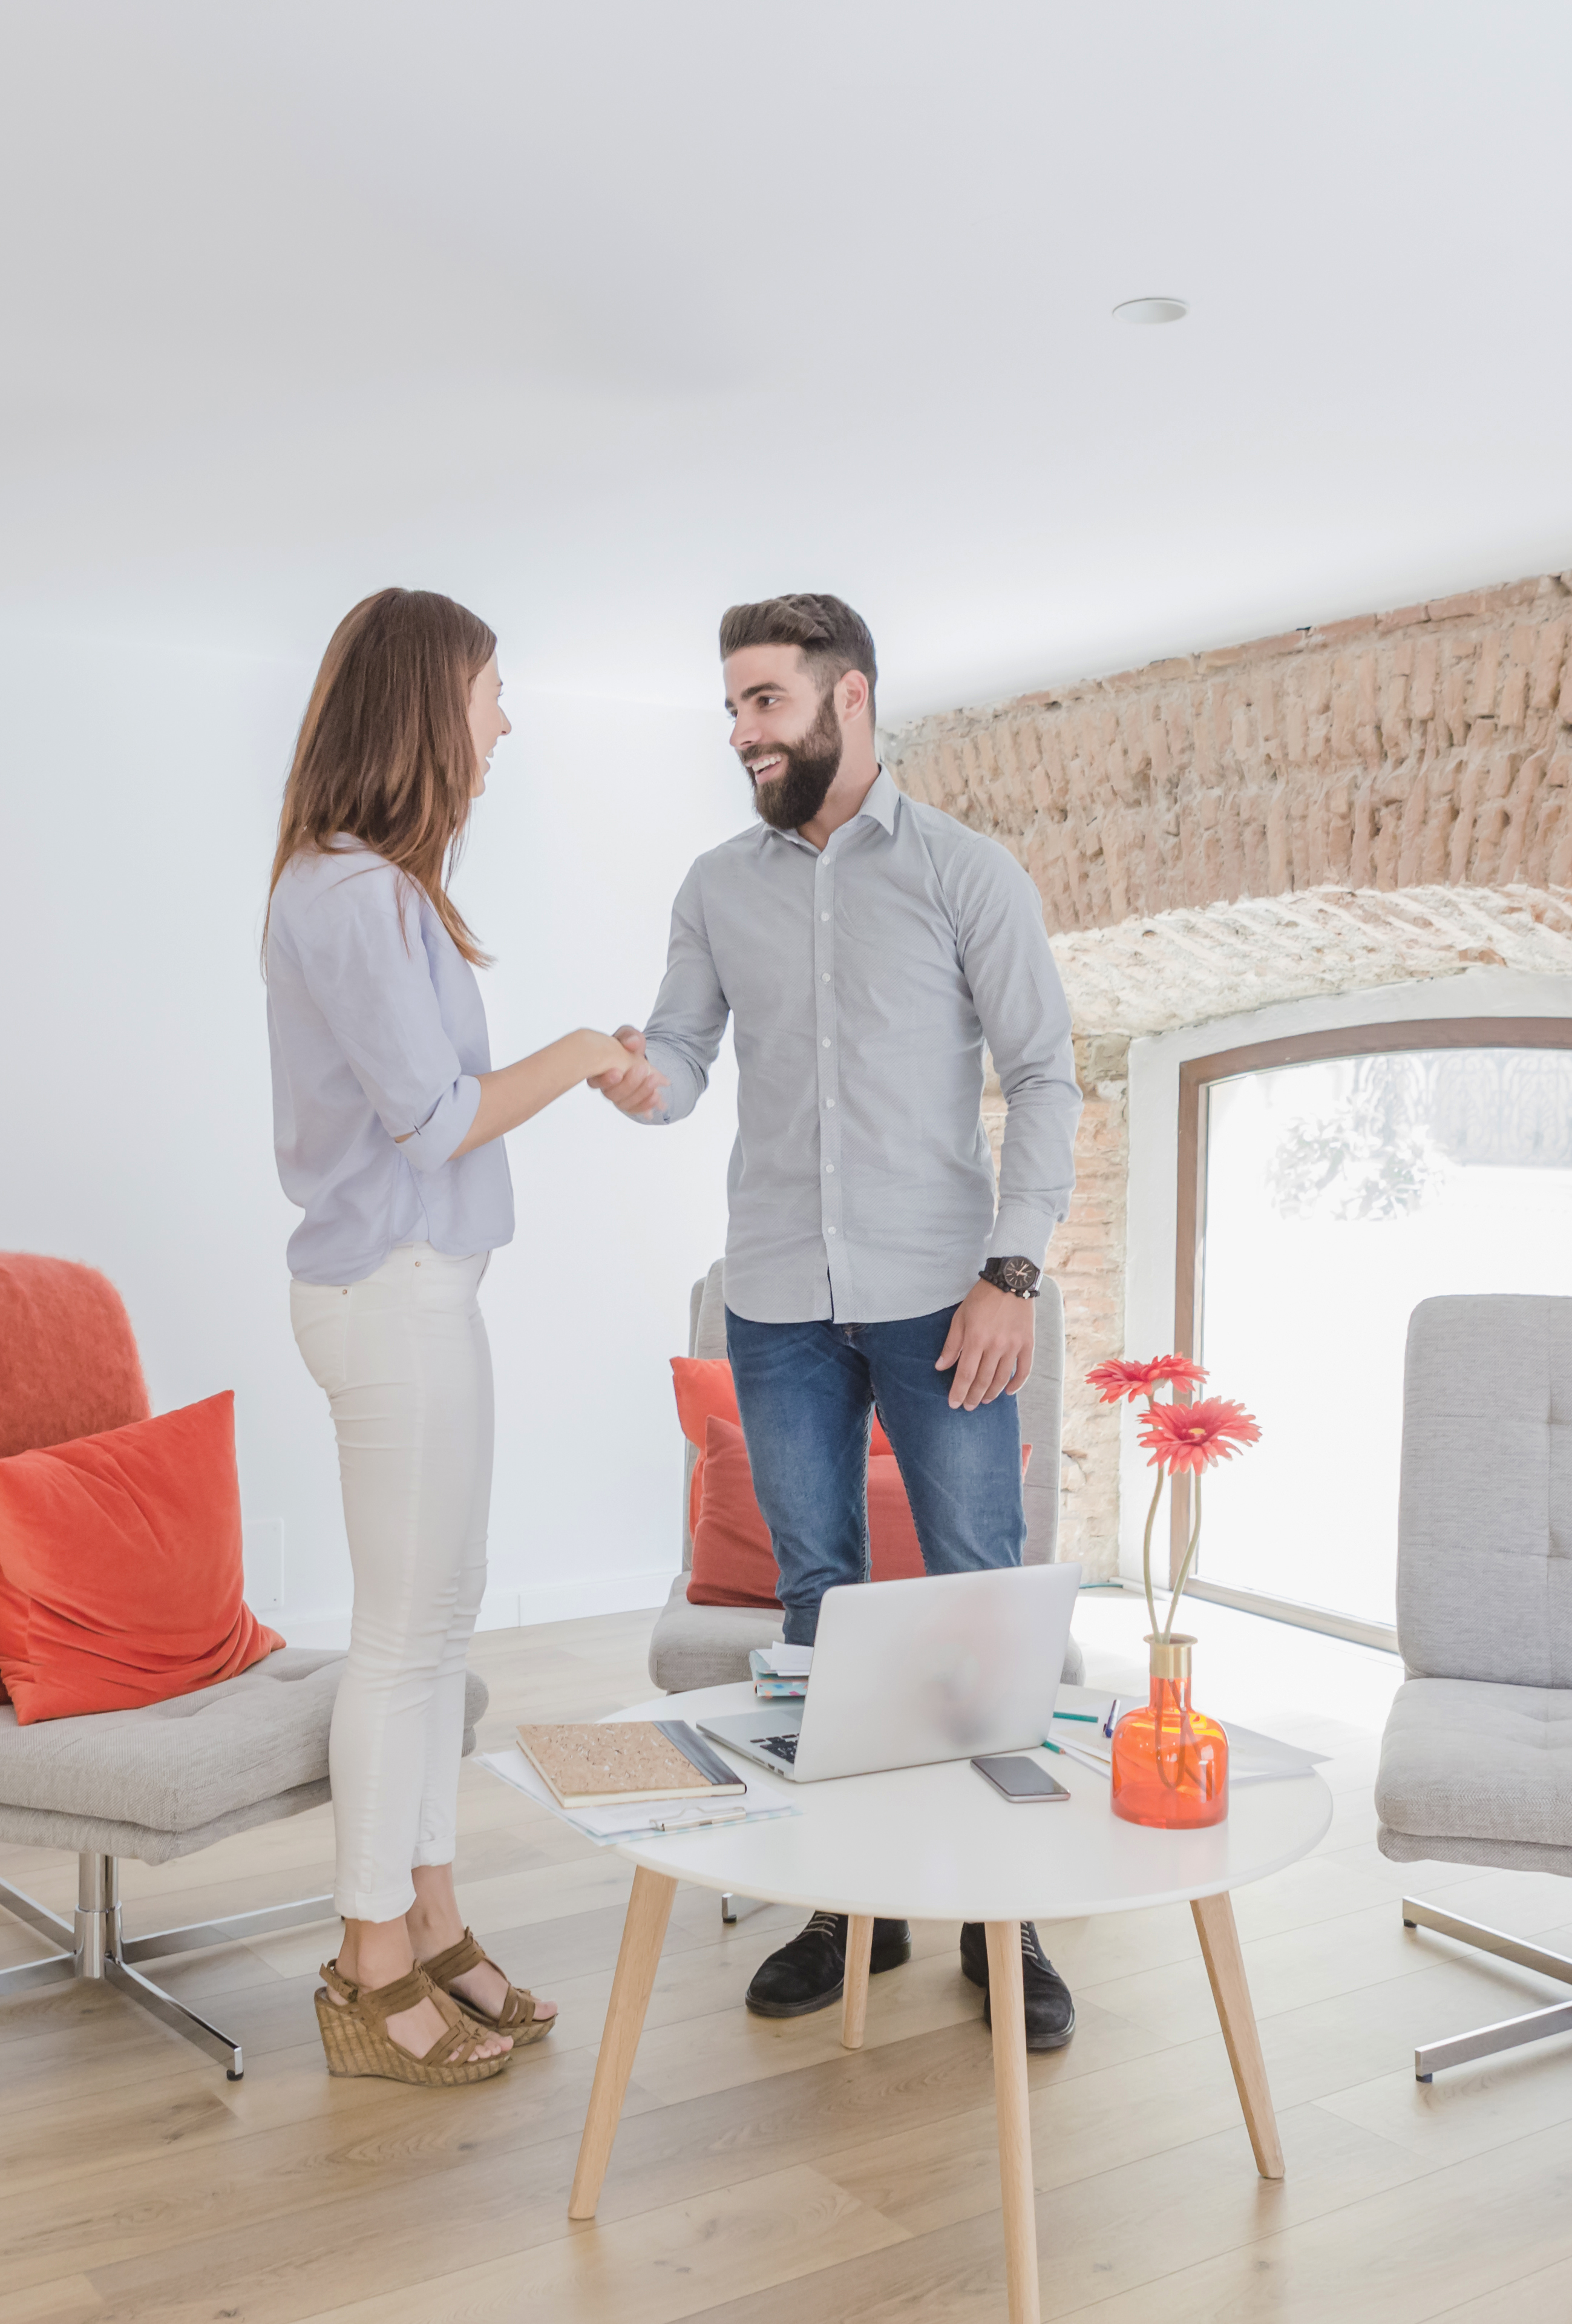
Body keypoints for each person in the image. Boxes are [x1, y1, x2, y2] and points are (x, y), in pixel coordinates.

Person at [598, 592, 1084, 2049]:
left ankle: (1008, 1923)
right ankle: (846, 1912)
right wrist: (644, 1082)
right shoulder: (716, 886)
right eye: (734, 708)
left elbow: (1046, 1076)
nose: (744, 734)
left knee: (976, 1604)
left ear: (848, 700)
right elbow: (683, 1055)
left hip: (946, 1302)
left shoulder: (965, 873)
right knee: (816, 1614)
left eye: (765, 703)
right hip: (779, 1307)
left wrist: (1012, 1276)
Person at [266, 588, 664, 2086]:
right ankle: (368, 1960)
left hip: (424, 1290)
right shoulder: (349, 893)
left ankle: (430, 1918)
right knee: (402, 1638)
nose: (507, 723)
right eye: (494, 693)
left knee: (437, 1628)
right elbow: (434, 1124)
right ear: (430, 705)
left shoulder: (377, 888)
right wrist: (578, 1054)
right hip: (392, 1289)